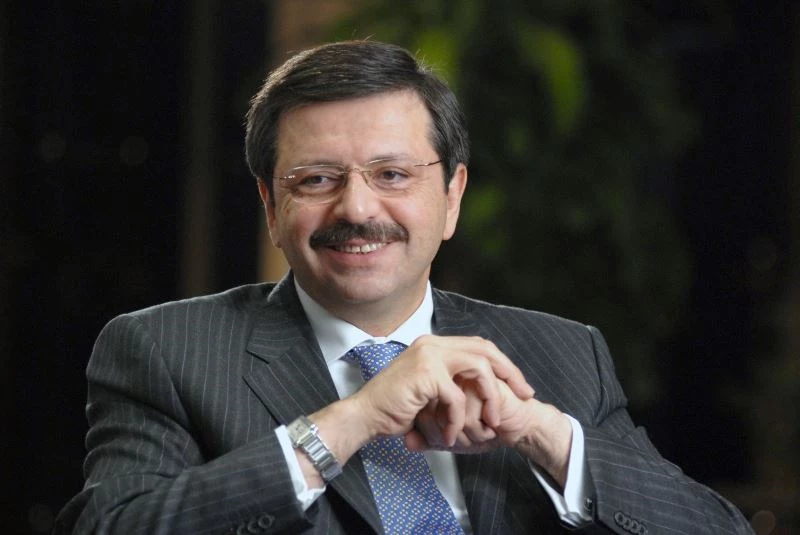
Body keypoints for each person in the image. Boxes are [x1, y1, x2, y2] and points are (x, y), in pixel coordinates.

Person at [55, 40, 753, 534]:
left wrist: (542, 433)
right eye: (317, 179)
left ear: (452, 198)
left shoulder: (563, 353)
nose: (358, 208)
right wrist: (351, 420)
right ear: (271, 207)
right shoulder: (166, 350)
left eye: (392, 175)